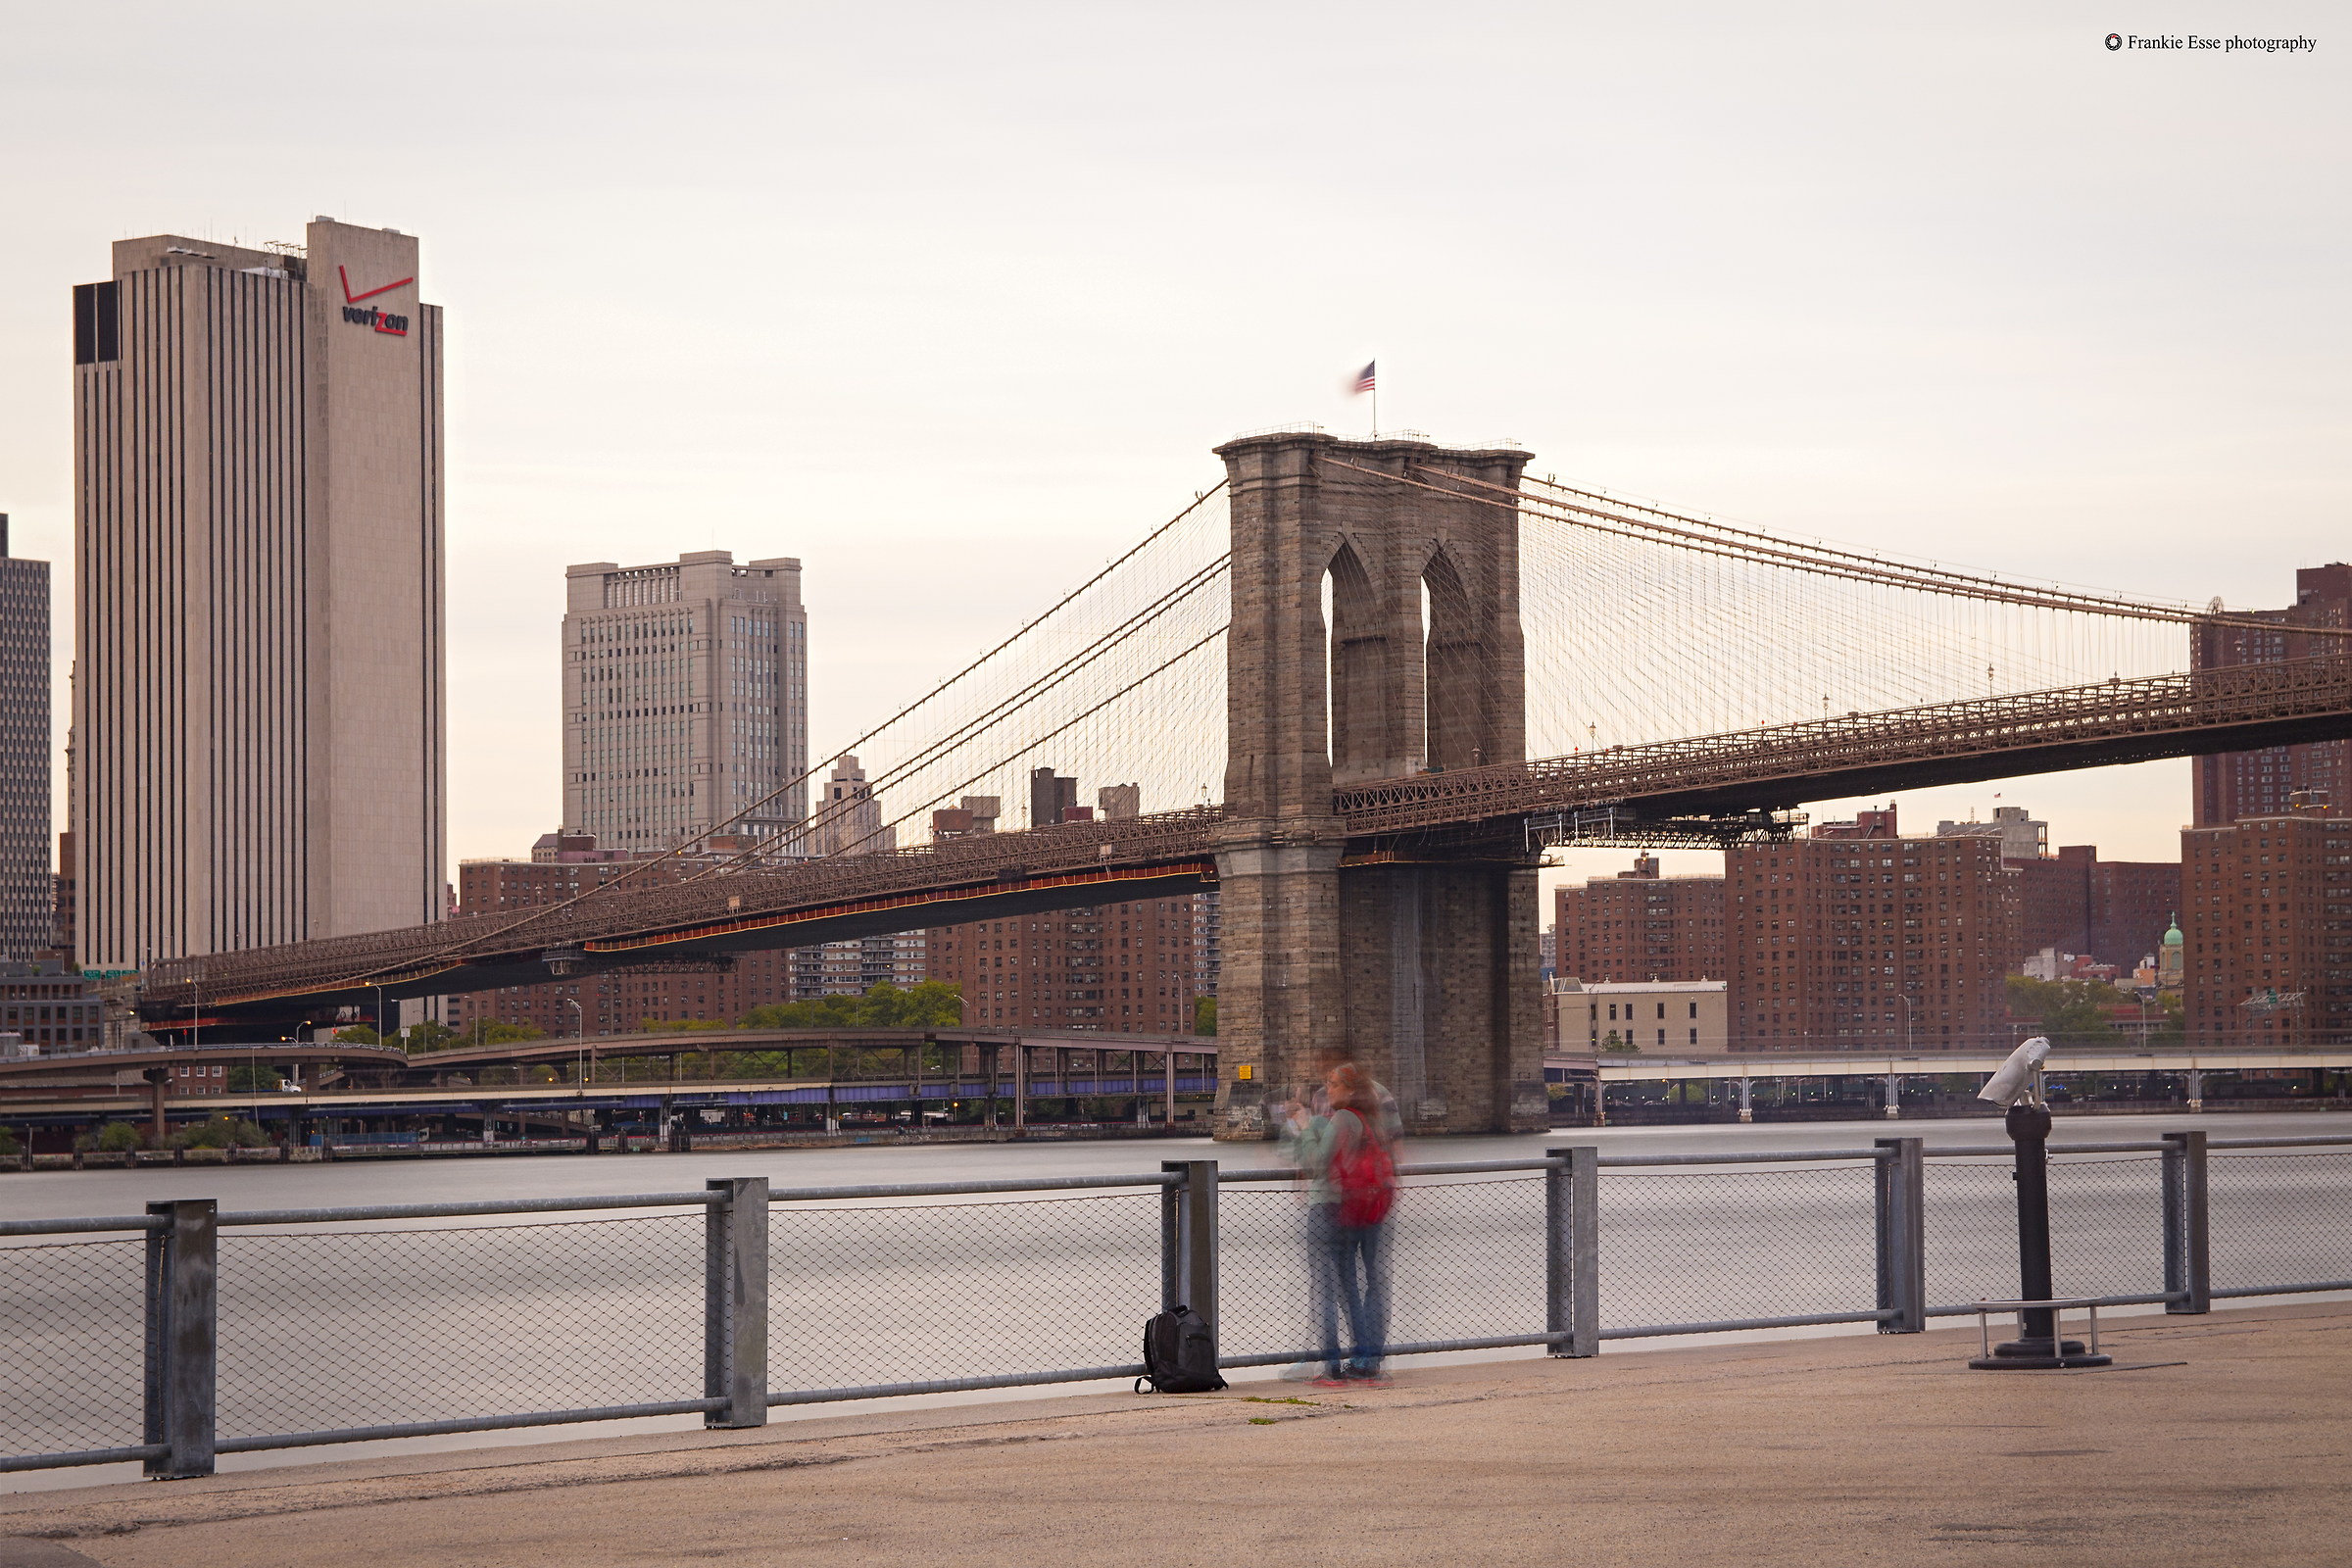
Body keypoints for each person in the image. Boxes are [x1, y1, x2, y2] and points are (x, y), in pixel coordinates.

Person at [1281, 1056, 1399, 1387]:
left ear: (1350, 1090)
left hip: (1330, 1208)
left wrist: (1304, 1126)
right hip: (1358, 1208)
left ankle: (1331, 1368)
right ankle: (1365, 1361)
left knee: (1325, 1288)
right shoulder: (1371, 1119)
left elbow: (1318, 1162)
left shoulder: (1344, 1117)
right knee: (1351, 1288)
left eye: (1333, 1084)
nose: (1327, 1089)